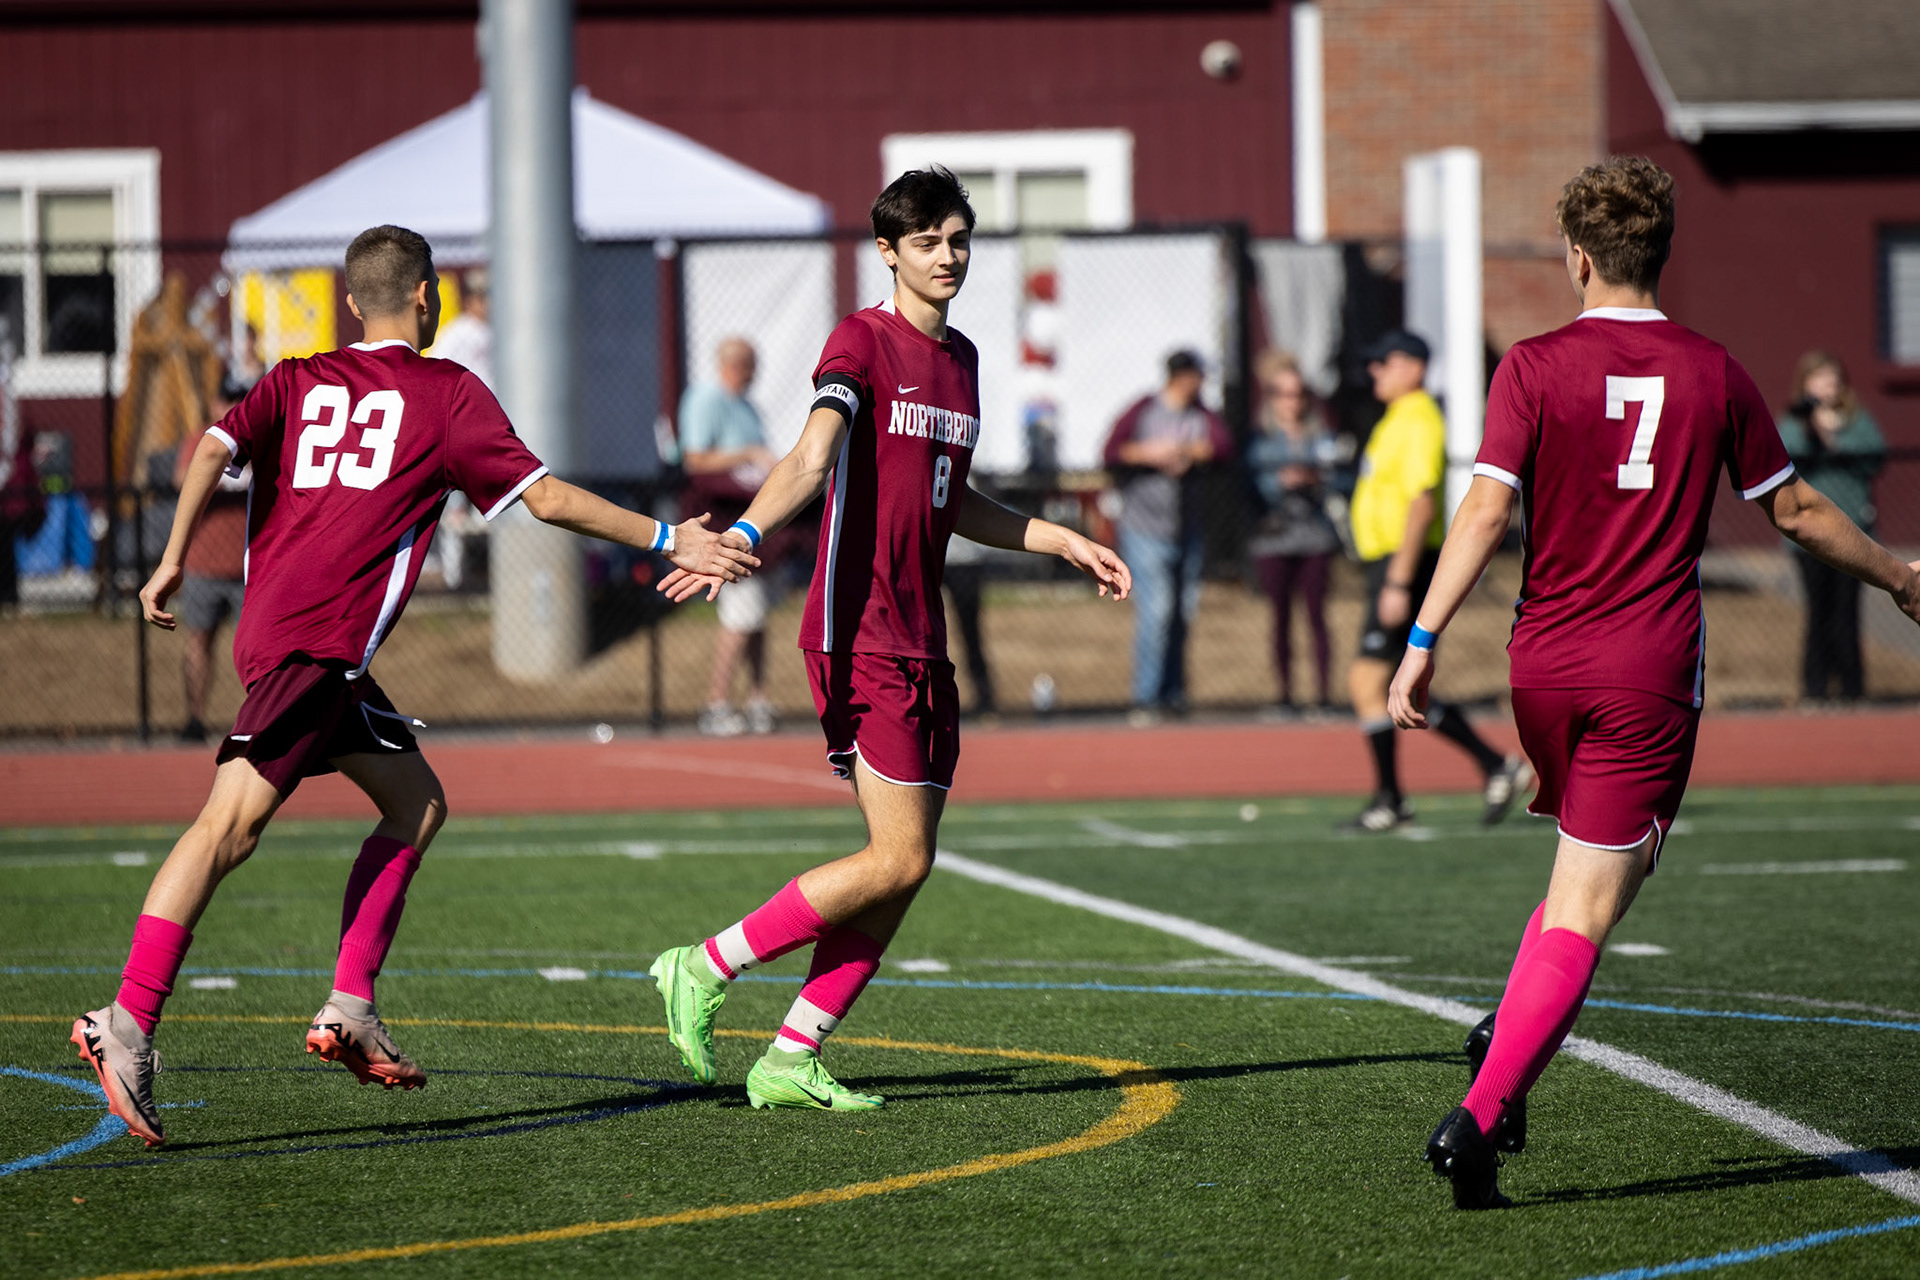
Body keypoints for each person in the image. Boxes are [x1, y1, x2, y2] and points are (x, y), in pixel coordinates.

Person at [69, 225, 755, 1148]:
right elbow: (545, 499)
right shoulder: (446, 394)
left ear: (353, 303)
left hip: (311, 653)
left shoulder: (293, 379)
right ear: (427, 296)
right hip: (313, 654)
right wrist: (672, 538)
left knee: (416, 801)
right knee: (227, 828)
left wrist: (163, 562)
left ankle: (351, 1007)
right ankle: (128, 1023)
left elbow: (206, 450)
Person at [1387, 157, 1920, 1210]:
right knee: (1594, 901)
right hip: (1646, 668)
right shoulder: (1713, 369)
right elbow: (1799, 510)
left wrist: (1420, 635)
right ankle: (1481, 1114)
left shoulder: (1532, 365)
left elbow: (1487, 513)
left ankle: (1510, 1023)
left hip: (1541, 667)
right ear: (1661, 252)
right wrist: (1902, 576)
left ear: (1576, 257)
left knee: (1582, 880)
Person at [649, 168, 1130, 1111]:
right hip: (859, 626)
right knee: (900, 857)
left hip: (921, 630)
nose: (947, 257)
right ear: (887, 251)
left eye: (958, 240)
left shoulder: (966, 359)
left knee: (902, 869)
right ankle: (703, 965)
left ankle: (791, 1055)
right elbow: (812, 453)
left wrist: (1059, 536)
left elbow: (956, 502)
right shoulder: (860, 340)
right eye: (927, 242)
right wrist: (742, 537)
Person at [1343, 330, 1530, 832]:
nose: (1375, 372)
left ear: (1414, 367)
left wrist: (1398, 583)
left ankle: (1393, 798)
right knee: (1386, 683)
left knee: (1370, 679)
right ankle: (1493, 767)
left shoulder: (1419, 418)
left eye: (1385, 363)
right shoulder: (1396, 420)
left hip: (1403, 564)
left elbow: (1421, 500)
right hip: (1387, 565)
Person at [1102, 349, 1233, 720]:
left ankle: (1174, 693)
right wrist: (1150, 453)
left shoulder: (1202, 414)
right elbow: (1112, 451)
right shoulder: (1144, 408)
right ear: (1180, 376)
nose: (1201, 384)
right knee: (1156, 612)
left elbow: (1223, 445)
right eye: (1196, 376)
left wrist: (1188, 451)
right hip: (1144, 527)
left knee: (1182, 613)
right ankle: (1146, 698)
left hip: (1186, 529)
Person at [679, 336, 782, 735]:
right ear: (735, 364)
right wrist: (748, 454)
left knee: (757, 618)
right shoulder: (707, 398)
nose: (755, 374)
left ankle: (757, 698)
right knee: (739, 616)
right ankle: (717, 702)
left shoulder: (747, 406)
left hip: (753, 524)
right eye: (751, 365)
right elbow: (695, 458)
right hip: (722, 522)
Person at [1776, 350, 1886, 703]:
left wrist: (1832, 438)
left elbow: (1874, 454)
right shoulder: (1796, 422)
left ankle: (1853, 691)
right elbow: (1784, 453)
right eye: (1821, 379)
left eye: (1834, 380)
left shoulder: (1856, 421)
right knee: (1818, 613)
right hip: (1809, 538)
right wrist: (1812, 426)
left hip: (1854, 533)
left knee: (1847, 613)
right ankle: (1816, 690)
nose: (1829, 386)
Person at [1246, 350, 1342, 712]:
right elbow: (1251, 486)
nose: (1292, 401)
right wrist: (1280, 480)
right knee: (1280, 619)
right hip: (1274, 537)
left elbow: (1341, 479)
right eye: (1283, 393)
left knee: (1317, 616)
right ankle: (1284, 695)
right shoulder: (1261, 440)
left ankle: (1322, 697)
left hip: (1314, 535)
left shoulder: (1321, 436)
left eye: (1299, 393)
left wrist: (1315, 478)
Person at [172, 378, 251, 743]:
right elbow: (181, 479)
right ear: (214, 401)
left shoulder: (258, 438)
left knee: (255, 648)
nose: (232, 405)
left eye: (240, 398)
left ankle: (258, 721)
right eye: (227, 398)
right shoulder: (202, 439)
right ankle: (194, 718)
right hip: (204, 564)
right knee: (199, 641)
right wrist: (220, 479)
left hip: (250, 566)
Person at [426, 269, 492, 590]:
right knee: (455, 509)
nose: (487, 303)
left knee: (492, 506)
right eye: (482, 297)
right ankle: (455, 579)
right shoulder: (458, 333)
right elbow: (434, 370)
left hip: (490, 431)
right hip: (459, 431)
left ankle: (489, 572)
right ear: (470, 299)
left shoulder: (499, 331)